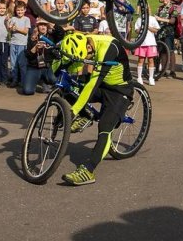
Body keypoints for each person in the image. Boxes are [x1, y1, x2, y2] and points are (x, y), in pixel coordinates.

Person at [58, 33, 135, 186]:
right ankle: (86, 115)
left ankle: (88, 170)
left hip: (120, 91)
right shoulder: (80, 39)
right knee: (68, 87)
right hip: (103, 87)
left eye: (86, 55)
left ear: (88, 46)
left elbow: (92, 84)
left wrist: (73, 111)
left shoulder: (108, 47)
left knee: (105, 127)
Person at [23, 20, 57, 95]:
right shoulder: (32, 38)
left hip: (46, 68)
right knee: (28, 91)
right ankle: (38, 81)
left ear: (47, 27)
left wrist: (53, 25)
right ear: (37, 27)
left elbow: (61, 33)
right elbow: (28, 56)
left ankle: (44, 81)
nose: (43, 27)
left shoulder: (51, 37)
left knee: (56, 82)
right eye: (41, 25)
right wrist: (35, 47)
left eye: (45, 25)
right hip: (34, 67)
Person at [154, 0, 180, 78]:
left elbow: (172, 21)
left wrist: (159, 19)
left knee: (170, 51)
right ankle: (164, 69)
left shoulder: (173, 8)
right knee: (162, 52)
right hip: (160, 32)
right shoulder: (160, 8)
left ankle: (172, 71)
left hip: (169, 33)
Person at [8, 2, 31, 88]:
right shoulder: (13, 18)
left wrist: (16, 28)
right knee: (13, 64)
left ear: (25, 10)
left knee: (22, 64)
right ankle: (14, 80)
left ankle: (23, 81)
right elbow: (9, 29)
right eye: (18, 10)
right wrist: (9, 25)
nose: (20, 12)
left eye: (21, 10)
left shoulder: (26, 19)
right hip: (13, 43)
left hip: (22, 44)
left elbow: (25, 31)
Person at [134, 13, 160, 86]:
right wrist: (142, 27)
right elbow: (136, 31)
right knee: (141, 60)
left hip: (151, 43)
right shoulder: (139, 19)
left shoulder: (152, 18)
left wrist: (148, 27)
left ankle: (151, 78)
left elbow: (156, 30)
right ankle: (139, 77)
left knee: (151, 60)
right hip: (141, 43)